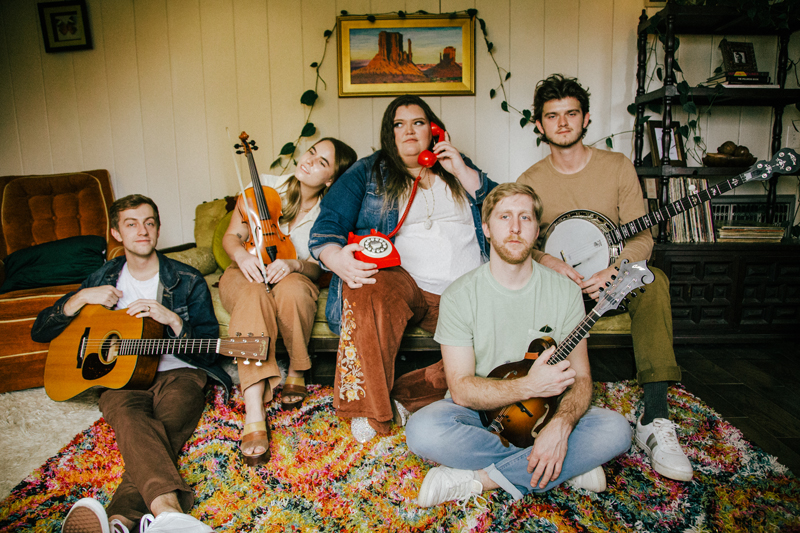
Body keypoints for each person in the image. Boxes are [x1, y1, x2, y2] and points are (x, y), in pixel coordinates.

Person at [406, 183, 632, 507]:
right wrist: (528, 386)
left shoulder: (566, 292)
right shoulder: (459, 295)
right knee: (422, 430)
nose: (515, 228)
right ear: (485, 228)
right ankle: (564, 466)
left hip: (547, 414)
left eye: (525, 217)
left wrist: (562, 426)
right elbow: (462, 390)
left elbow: (581, 378)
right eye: (504, 217)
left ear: (537, 229)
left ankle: (478, 479)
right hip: (480, 416)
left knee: (616, 430)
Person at [516, 73, 692, 482]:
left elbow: (642, 235)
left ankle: (655, 418)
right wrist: (549, 262)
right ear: (539, 125)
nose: (562, 123)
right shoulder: (530, 180)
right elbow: (526, 244)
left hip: (613, 278)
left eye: (571, 114)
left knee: (655, 282)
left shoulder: (616, 167)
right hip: (560, 284)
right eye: (552, 116)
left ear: (586, 119)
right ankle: (556, 418)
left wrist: (615, 270)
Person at [308, 95, 498, 443]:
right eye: (399, 124)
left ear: (434, 130)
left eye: (418, 122)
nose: (409, 131)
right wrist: (337, 259)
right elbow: (328, 225)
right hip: (405, 283)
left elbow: (503, 210)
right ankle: (371, 412)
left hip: (466, 292)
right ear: (389, 134)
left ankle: (402, 397)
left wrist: (461, 169)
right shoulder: (368, 171)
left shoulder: (457, 167)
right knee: (365, 284)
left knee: (501, 346)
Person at [32, 195, 226, 533]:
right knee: (131, 419)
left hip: (179, 373)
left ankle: (119, 521)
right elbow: (41, 330)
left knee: (161, 429)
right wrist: (79, 299)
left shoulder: (187, 278)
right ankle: (166, 513)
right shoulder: (100, 279)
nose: (143, 230)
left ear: (158, 229)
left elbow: (208, 350)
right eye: (132, 223)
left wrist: (173, 321)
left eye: (150, 222)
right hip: (119, 379)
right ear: (116, 233)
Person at [219, 137, 357, 465]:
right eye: (311, 152)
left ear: (330, 179)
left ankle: (298, 367)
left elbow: (318, 266)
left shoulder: (331, 211)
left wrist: (294, 264)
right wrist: (241, 256)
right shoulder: (265, 186)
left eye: (322, 162)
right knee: (253, 293)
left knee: (295, 288)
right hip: (243, 272)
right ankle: (254, 407)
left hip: (291, 276)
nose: (308, 161)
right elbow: (231, 236)